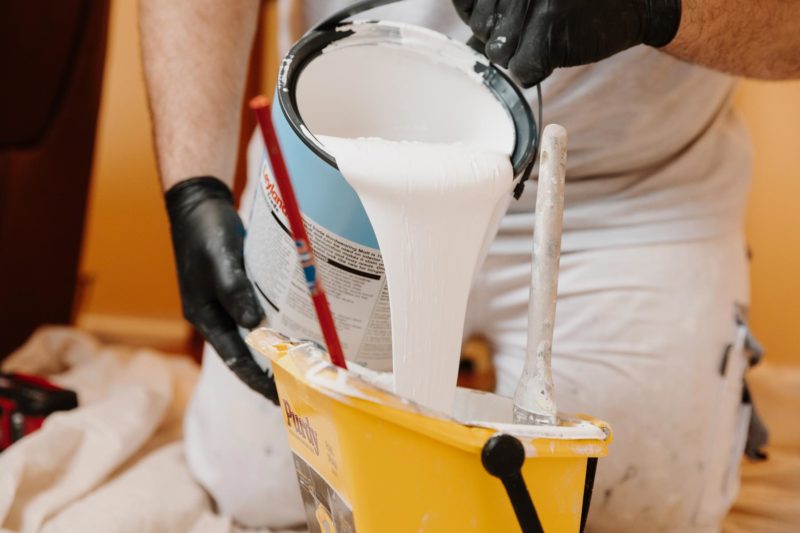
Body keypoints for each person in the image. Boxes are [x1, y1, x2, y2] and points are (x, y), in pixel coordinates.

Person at [139, 0, 800, 530]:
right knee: (261, 488)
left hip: (628, 187)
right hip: (347, 159)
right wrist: (193, 185)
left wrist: (657, 9)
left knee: (633, 506)